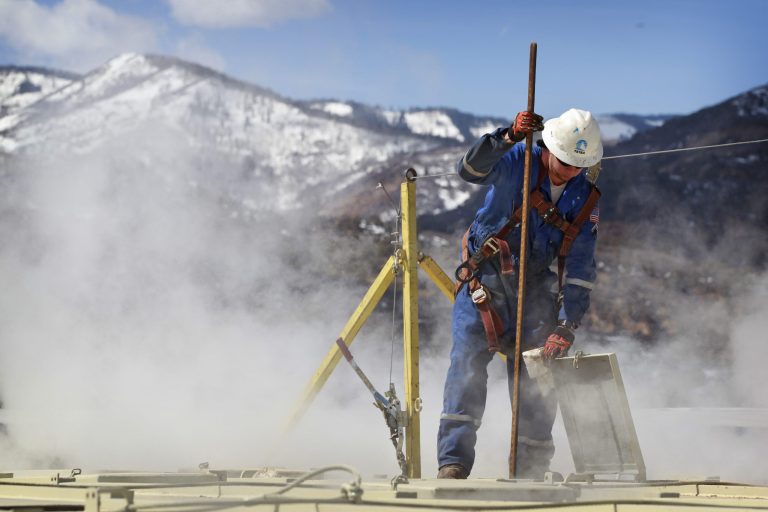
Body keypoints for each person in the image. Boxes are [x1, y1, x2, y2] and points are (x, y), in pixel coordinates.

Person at [436, 108, 603, 479]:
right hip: (486, 283)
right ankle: (453, 463)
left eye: (578, 165)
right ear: (548, 146)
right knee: (466, 369)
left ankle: (531, 470)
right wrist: (508, 135)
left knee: (537, 379)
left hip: (536, 293)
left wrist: (567, 323)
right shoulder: (516, 162)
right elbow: (470, 171)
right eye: (563, 161)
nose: (568, 170)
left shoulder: (585, 199)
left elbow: (579, 267)